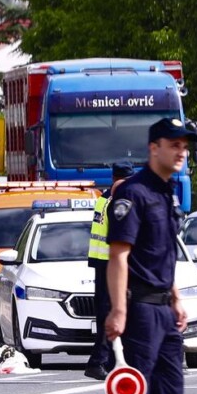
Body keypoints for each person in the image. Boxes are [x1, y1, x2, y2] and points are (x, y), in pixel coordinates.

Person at [103, 117, 197, 394]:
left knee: (169, 389)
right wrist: (118, 310)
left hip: (163, 308)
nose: (181, 151)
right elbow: (119, 256)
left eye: (185, 145)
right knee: (133, 390)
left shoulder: (166, 192)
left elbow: (163, 253)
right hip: (139, 310)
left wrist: (176, 296)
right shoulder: (133, 192)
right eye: (174, 144)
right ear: (153, 148)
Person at [84, 161, 136, 381]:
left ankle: (110, 361)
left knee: (107, 313)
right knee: (112, 313)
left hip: (100, 262)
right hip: (111, 264)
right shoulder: (118, 201)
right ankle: (98, 362)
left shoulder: (103, 198)